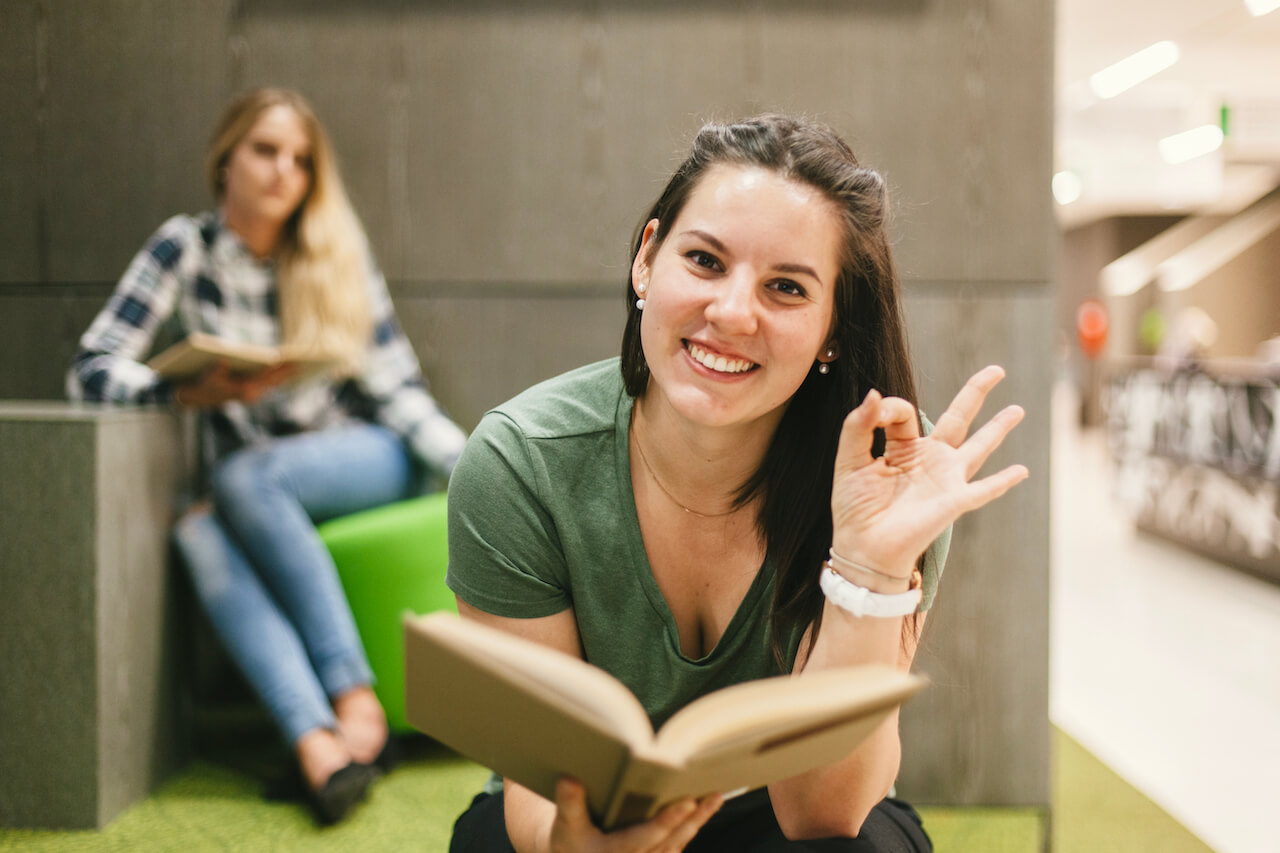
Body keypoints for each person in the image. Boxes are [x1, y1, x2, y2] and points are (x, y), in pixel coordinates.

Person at [444, 114, 1028, 852]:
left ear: (834, 331)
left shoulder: (888, 490)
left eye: (786, 287)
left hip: (778, 818)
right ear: (647, 261)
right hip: (580, 809)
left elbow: (825, 814)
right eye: (705, 261)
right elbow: (533, 778)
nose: (730, 313)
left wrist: (871, 567)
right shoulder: (521, 462)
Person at [66, 88, 467, 824]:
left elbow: (399, 387)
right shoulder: (184, 247)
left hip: (363, 457)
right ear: (226, 160)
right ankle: (318, 744)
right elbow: (91, 367)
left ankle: (355, 699)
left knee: (244, 477)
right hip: (254, 481)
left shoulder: (335, 250)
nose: (285, 170)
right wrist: (180, 393)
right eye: (266, 150)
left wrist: (471, 469)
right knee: (196, 527)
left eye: (301, 160)